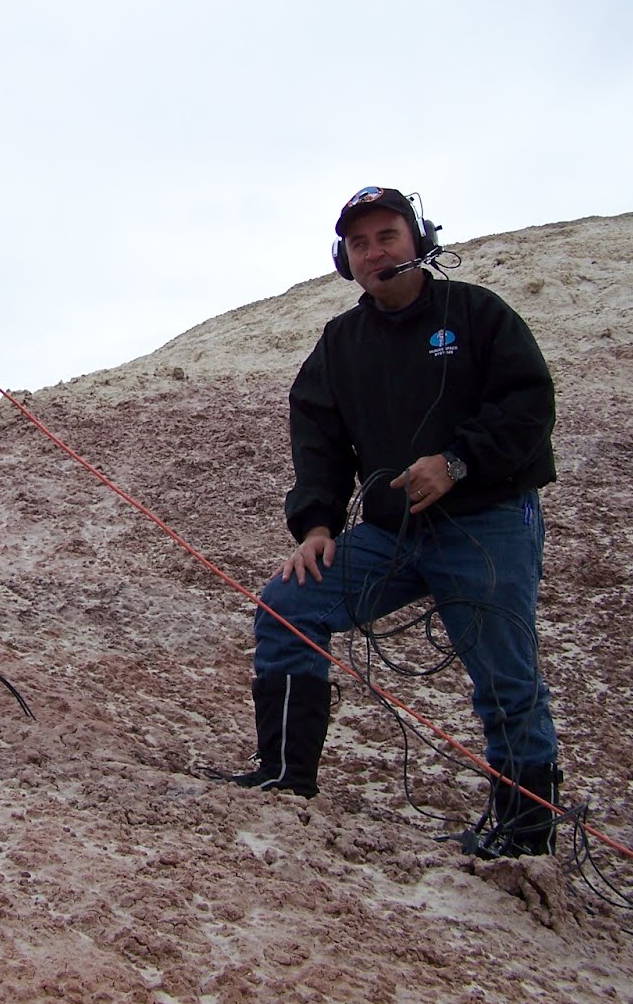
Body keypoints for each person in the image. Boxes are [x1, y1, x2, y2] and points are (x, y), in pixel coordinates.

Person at [227, 185, 562, 858]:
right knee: (291, 603)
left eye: (387, 236)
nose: (374, 251)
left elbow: (530, 406)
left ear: (418, 242)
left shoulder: (477, 313)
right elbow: (317, 435)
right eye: (359, 244)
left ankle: (526, 836)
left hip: (489, 522)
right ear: (343, 261)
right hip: (392, 536)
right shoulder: (341, 341)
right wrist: (317, 527)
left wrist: (459, 462)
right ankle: (285, 779)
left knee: (505, 675)